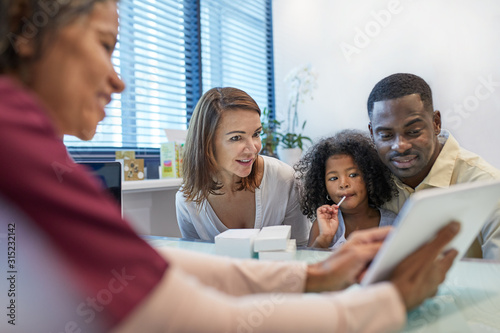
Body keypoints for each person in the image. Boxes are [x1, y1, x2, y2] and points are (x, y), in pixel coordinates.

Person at [0, 2, 459, 332]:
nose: (118, 80)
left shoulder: (29, 144)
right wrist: (391, 302)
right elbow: (197, 315)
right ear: (26, 29)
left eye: (256, 135)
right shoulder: (15, 141)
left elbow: (151, 266)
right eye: (104, 44)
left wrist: (312, 273)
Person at [367, 73, 500, 259]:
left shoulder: (489, 187)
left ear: (436, 123)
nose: (400, 146)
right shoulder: (366, 184)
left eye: (413, 131)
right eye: (386, 136)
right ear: (372, 133)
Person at [176, 87, 310, 246]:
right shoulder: (188, 200)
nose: (253, 148)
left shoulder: (284, 179)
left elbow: (301, 251)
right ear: (207, 143)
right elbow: (198, 262)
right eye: (236, 138)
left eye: (256, 134)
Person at [295, 129, 397, 249]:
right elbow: (311, 265)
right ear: (323, 186)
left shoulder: (392, 223)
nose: (343, 184)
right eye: (333, 178)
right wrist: (325, 238)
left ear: (369, 178)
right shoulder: (322, 225)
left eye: (353, 175)